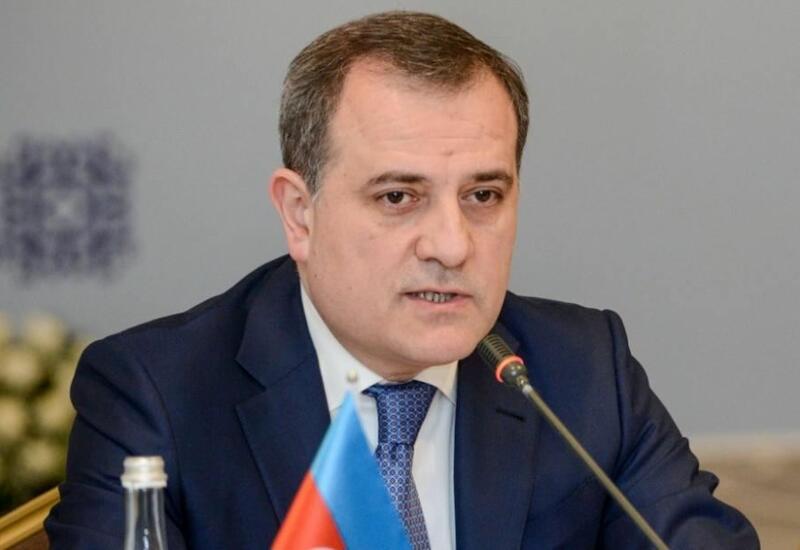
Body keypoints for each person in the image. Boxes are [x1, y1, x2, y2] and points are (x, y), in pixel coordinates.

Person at [46, 11, 759, 549]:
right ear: (299, 213)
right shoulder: (156, 395)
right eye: (398, 196)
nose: (451, 245)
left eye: (483, 195)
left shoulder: (583, 373)